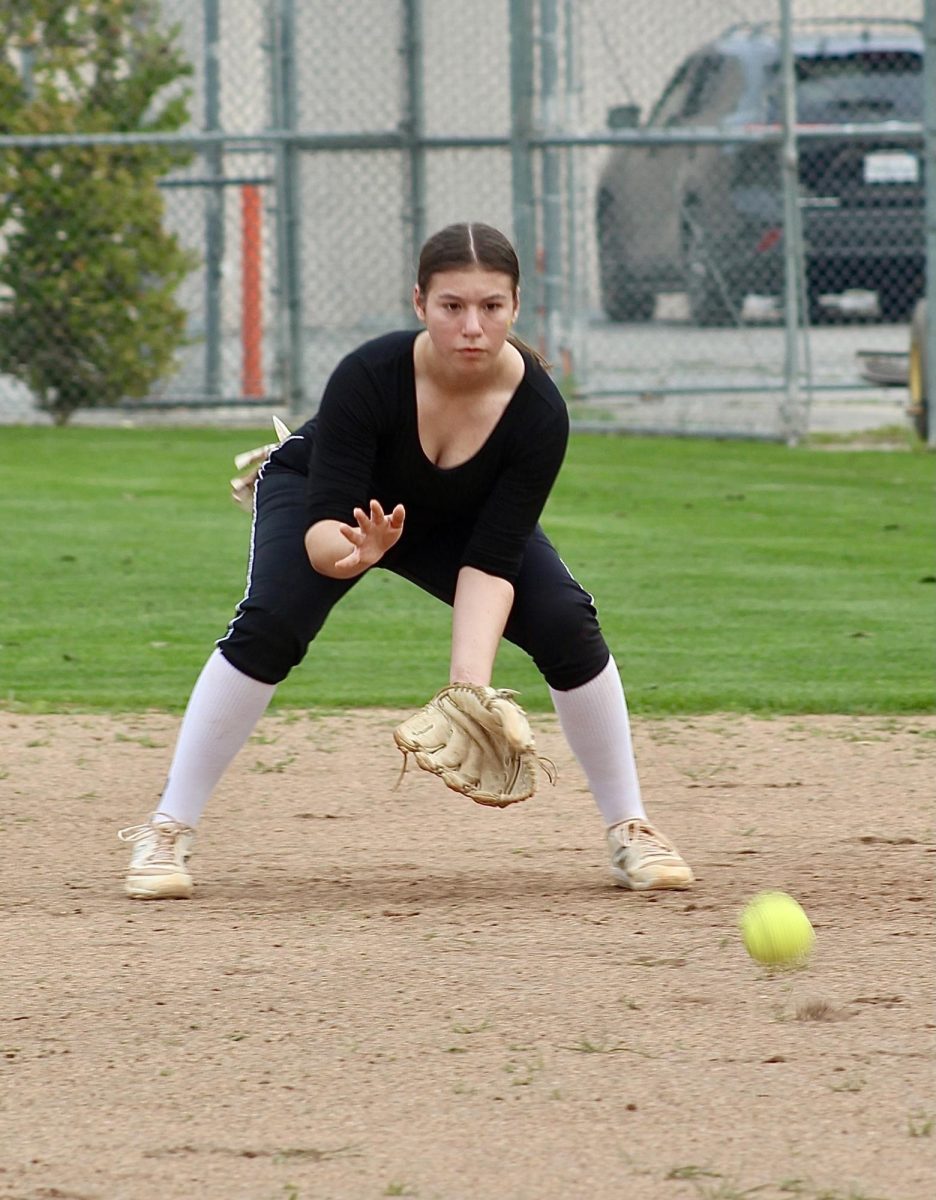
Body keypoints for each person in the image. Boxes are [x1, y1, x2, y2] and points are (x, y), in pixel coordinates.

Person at [118, 222, 693, 899]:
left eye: (491, 306)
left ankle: (631, 828)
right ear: (419, 303)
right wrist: (355, 553)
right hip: (340, 508)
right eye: (452, 306)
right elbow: (323, 535)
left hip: (460, 519)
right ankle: (167, 830)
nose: (472, 326)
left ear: (516, 306)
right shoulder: (370, 375)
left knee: (566, 620)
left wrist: (466, 689)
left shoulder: (538, 411)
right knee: (274, 620)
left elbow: (493, 558)